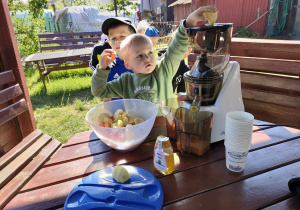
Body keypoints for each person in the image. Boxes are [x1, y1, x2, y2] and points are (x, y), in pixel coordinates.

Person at [91, 6, 218, 104]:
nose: (147, 58)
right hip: (138, 133)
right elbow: (99, 91)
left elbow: (176, 48)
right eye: (139, 56)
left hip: (166, 131)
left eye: (150, 52)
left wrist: (189, 22)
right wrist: (102, 69)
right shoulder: (125, 82)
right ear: (128, 64)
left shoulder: (163, 70)